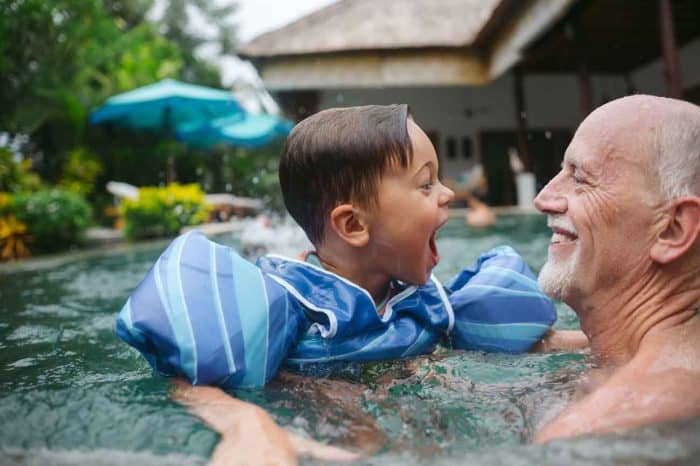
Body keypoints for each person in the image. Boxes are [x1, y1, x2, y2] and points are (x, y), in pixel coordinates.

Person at [117, 105, 583, 463]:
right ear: (354, 225)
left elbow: (540, 346)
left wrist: (613, 345)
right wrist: (247, 425)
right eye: (425, 185)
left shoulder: (426, 302)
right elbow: (189, 381)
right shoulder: (290, 307)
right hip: (316, 428)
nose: (445, 195)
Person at [533, 95, 700, 443]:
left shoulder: (589, 431)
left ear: (672, 229)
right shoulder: (645, 351)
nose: (544, 198)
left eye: (580, 178)